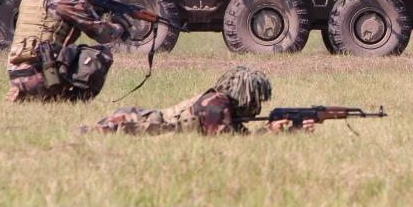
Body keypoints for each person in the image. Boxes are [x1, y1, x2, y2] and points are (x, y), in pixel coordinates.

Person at [6, 0, 128, 102]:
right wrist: (120, 26)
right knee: (100, 54)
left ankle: (26, 93)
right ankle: (69, 101)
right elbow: (102, 34)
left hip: (15, 72)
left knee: (60, 49)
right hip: (42, 74)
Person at [90, 66, 312, 135]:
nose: (258, 106)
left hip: (143, 119)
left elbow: (239, 135)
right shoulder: (215, 106)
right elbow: (231, 144)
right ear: (243, 95)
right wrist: (268, 131)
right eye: (255, 99)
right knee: (95, 133)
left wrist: (290, 131)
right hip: (133, 121)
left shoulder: (222, 105)